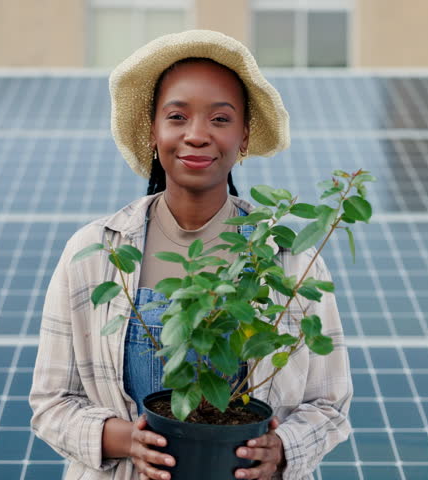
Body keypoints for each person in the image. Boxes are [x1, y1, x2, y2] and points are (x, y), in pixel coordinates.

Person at [29, 30, 351, 480]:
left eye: (220, 119)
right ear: (154, 132)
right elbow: (50, 403)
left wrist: (280, 450)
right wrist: (126, 439)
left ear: (244, 136)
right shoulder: (94, 252)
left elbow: (329, 404)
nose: (197, 135)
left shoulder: (290, 259)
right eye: (177, 116)